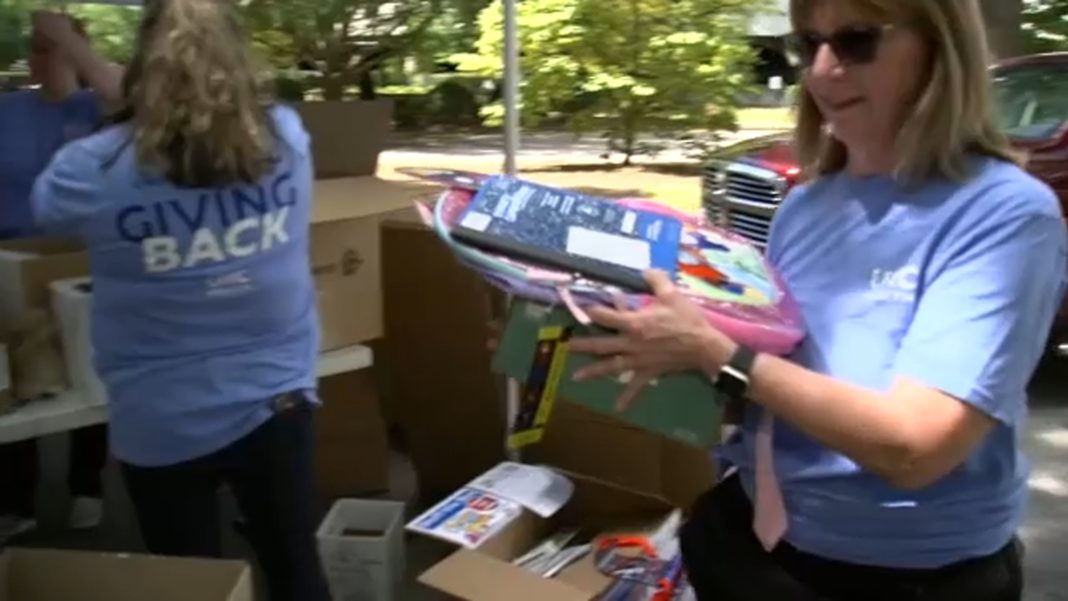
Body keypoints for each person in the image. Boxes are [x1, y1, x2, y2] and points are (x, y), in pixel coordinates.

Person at [567, 1, 1067, 600]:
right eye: (808, 44)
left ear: (939, 46)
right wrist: (586, 349)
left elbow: (914, 448)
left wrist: (714, 352)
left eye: (856, 41)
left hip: (905, 579)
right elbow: (767, 399)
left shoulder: (1004, 213)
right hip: (755, 543)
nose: (823, 70)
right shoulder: (805, 206)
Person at [29, 1, 330, 599]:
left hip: (160, 416)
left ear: (141, 69)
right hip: (279, 399)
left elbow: (46, 211)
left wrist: (75, 54)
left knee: (191, 584)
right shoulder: (285, 140)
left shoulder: (90, 169)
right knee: (296, 567)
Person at [0, 11, 121, 542]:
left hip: (80, 255)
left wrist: (76, 66)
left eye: (51, 47)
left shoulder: (102, 108)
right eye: (36, 47)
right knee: (15, 376)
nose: (39, 57)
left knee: (85, 366)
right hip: (12, 255)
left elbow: (127, 101)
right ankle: (14, 496)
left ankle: (86, 485)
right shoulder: (8, 110)